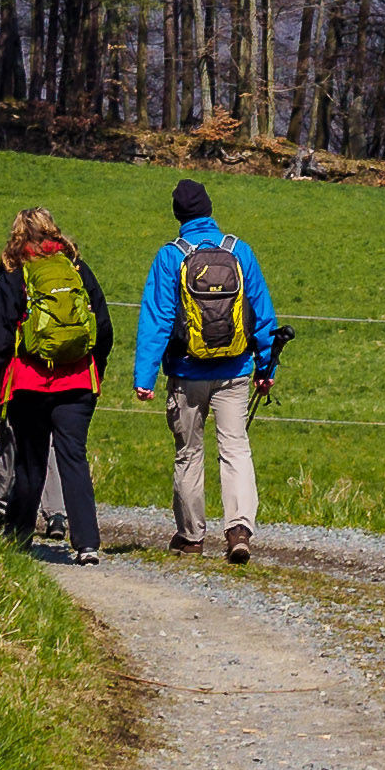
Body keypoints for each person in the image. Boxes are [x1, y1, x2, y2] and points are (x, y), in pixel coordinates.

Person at [132, 177, 274, 561]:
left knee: (189, 453)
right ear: (209, 210)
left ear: (178, 215)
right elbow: (262, 312)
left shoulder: (170, 256)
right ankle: (239, 529)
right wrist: (266, 365)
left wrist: (144, 377)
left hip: (186, 371)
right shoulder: (238, 250)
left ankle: (191, 536)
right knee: (235, 449)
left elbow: (158, 318)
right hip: (236, 370)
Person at [0, 206, 114, 565]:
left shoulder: (13, 277)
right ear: (54, 232)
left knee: (30, 461)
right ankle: (86, 544)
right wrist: (93, 369)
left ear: (17, 236)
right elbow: (104, 328)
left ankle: (18, 536)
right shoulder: (78, 271)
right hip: (79, 381)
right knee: (74, 458)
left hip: (29, 384)